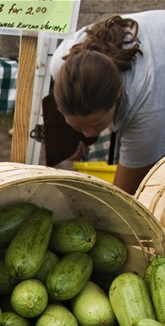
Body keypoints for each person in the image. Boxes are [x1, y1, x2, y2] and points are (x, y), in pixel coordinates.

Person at [51, 11, 165, 195]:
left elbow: (122, 196)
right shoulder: (61, 62)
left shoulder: (146, 109)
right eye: (77, 125)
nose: (89, 133)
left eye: (97, 124)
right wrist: (73, 138)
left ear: (118, 93)